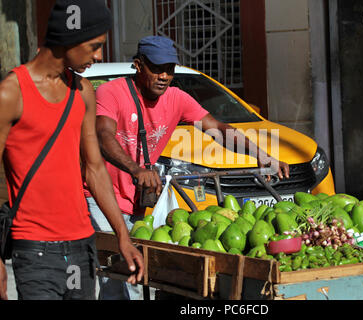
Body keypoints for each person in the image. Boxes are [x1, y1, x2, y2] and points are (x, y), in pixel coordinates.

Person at [85, 35, 290, 300]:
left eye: (169, 69)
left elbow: (217, 129)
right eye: (157, 68)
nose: (164, 76)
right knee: (119, 276)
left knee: (140, 276)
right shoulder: (111, 92)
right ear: (138, 65)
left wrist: (260, 155)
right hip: (101, 196)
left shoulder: (177, 98)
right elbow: (103, 135)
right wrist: (136, 169)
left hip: (138, 201)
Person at [0, 0, 143, 300]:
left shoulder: (83, 92)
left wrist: (123, 236)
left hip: (81, 248)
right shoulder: (11, 93)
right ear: (69, 39)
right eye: (94, 46)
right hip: (35, 250)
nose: (99, 55)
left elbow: (94, 169)